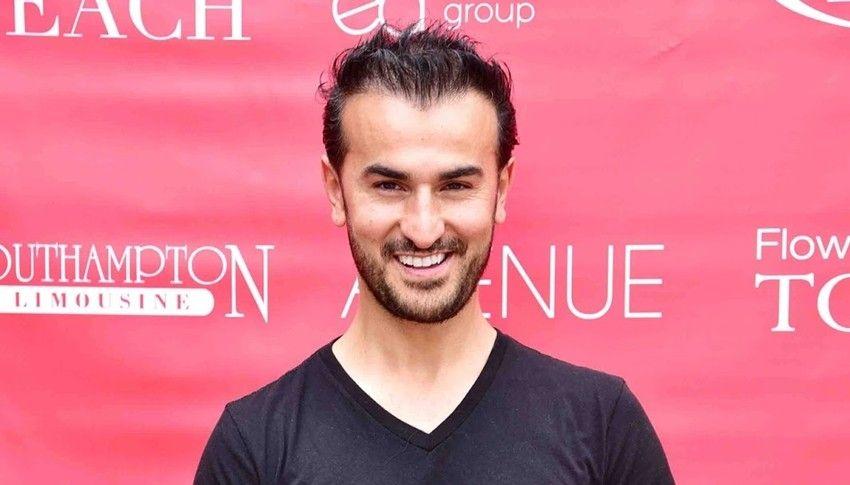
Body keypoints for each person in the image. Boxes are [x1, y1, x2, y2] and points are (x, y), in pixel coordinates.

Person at [195, 23, 675, 484]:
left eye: (456, 186)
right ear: (336, 191)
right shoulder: (255, 446)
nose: (423, 230)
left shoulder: (603, 426)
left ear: (502, 189)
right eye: (389, 186)